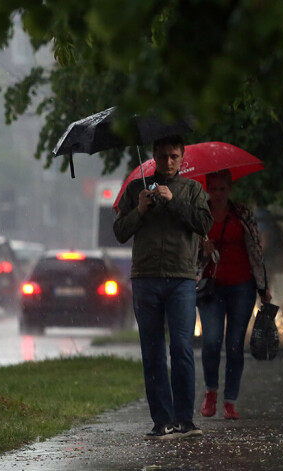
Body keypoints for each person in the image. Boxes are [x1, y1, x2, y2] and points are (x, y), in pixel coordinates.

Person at [114, 135, 213, 440]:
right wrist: (140, 210)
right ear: (154, 156)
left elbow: (203, 224)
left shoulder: (193, 189)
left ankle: (184, 418)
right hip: (146, 278)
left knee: (182, 348)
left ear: (182, 158)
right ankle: (162, 420)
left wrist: (174, 203)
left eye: (174, 156)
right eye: (163, 156)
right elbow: (119, 232)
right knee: (153, 351)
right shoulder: (136, 189)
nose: (168, 162)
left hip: (181, 278)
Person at [198, 169, 271, 420]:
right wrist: (202, 248)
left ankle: (230, 400)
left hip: (242, 286)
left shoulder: (242, 213)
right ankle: (211, 391)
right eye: (214, 189)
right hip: (211, 286)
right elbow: (188, 252)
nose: (218, 194)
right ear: (207, 189)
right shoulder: (200, 216)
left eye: (222, 189)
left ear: (229, 189)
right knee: (211, 340)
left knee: (235, 345)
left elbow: (255, 250)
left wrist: (263, 287)